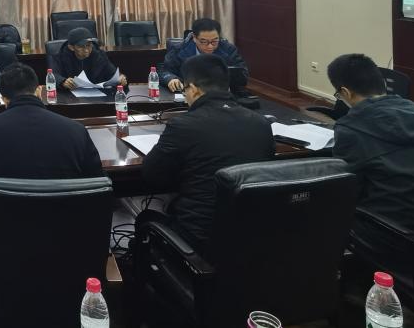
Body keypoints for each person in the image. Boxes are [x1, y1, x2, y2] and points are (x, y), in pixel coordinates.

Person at [141, 53, 273, 255]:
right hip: (254, 233)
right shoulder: (261, 123)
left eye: (185, 90)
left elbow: (151, 176)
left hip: (200, 239)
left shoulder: (183, 125)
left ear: (193, 89)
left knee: (144, 219)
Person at [328, 54, 414, 248]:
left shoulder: (351, 129)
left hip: (389, 233)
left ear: (345, 92)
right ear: (383, 83)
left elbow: (348, 191)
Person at [0, 63, 103, 187]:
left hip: (4, 210)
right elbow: (97, 180)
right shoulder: (76, 130)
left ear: (4, 99)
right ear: (39, 91)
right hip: (63, 209)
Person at [160, 17, 248, 93]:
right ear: (194, 38)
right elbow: (164, 71)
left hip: (221, 95)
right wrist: (171, 79)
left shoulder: (228, 50)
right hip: (190, 95)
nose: (210, 46)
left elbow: (243, 75)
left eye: (214, 41)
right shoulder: (179, 49)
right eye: (204, 42)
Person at [48, 27, 127, 90]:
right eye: (81, 47)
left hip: (96, 95)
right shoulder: (60, 56)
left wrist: (120, 78)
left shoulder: (99, 55)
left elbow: (112, 72)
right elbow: (54, 75)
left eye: (89, 45)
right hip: (69, 96)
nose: (86, 50)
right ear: (71, 47)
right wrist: (63, 82)